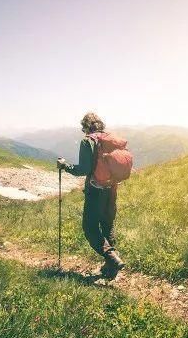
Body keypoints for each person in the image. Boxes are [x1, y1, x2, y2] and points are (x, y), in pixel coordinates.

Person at [57, 112, 125, 279]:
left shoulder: (88, 141)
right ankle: (110, 268)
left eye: (83, 128)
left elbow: (84, 169)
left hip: (95, 191)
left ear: (86, 126)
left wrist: (65, 166)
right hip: (112, 189)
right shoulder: (111, 139)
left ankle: (112, 258)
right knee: (107, 226)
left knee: (90, 229)